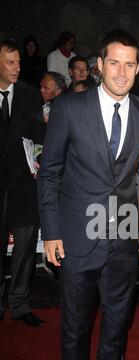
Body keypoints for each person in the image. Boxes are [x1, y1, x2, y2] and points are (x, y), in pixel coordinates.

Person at [37, 30, 139, 360]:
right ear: (100, 65)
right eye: (114, 62)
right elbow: (49, 173)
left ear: (138, 69)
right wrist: (50, 232)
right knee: (75, 322)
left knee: (117, 320)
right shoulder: (69, 108)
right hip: (75, 235)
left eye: (130, 64)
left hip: (122, 238)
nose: (122, 72)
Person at [0, 39, 45, 326]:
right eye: (11, 62)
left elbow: (40, 135)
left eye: (18, 62)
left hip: (24, 184)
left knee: (26, 247)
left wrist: (41, 159)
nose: (18, 67)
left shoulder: (30, 94)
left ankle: (19, 303)